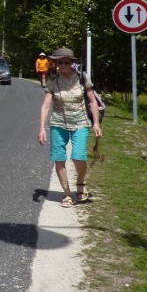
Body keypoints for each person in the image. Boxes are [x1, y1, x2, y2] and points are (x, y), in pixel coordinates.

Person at [37, 48, 103, 208]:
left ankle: (80, 182)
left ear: (72, 62)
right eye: (60, 62)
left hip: (80, 122)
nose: (63, 65)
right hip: (58, 123)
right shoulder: (53, 80)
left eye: (67, 62)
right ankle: (67, 194)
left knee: (78, 155)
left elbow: (93, 101)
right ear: (56, 63)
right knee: (59, 158)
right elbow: (46, 106)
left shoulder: (82, 77)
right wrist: (42, 128)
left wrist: (96, 123)